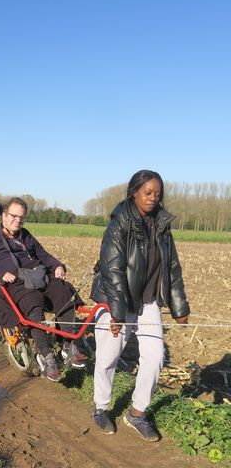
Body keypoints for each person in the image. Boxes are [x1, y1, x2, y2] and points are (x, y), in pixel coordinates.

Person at [90, 170, 190, 441]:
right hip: (116, 301)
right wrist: (117, 312)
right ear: (134, 192)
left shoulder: (162, 225)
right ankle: (101, 407)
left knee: (155, 357)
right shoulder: (119, 224)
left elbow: (172, 267)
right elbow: (112, 270)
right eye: (148, 192)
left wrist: (180, 308)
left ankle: (136, 413)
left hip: (148, 301)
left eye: (157, 194)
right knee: (109, 357)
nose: (153, 198)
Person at [0, 197, 87, 382]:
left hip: (35, 274)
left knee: (65, 292)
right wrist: (0, 272)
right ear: (4, 215)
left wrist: (57, 266)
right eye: (14, 216)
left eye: (21, 217)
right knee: (32, 301)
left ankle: (69, 346)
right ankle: (45, 355)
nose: (18, 220)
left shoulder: (25, 235)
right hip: (13, 283)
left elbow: (44, 256)